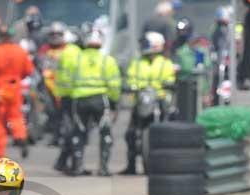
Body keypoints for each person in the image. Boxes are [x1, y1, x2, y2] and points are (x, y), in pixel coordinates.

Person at [120, 32, 175, 175]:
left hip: (160, 100)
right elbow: (130, 78)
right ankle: (131, 165)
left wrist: (169, 85)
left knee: (171, 125)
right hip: (141, 100)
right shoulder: (137, 63)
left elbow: (171, 79)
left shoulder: (165, 63)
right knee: (130, 133)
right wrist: (130, 86)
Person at [68, 28, 121, 177]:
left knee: (78, 132)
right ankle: (103, 168)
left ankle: (77, 167)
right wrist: (114, 102)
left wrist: (67, 98)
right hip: (100, 100)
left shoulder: (76, 59)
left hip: (79, 100)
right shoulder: (107, 60)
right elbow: (114, 85)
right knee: (105, 132)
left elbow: (66, 80)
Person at [0, 25, 34, 159]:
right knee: (16, 116)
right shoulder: (20, 51)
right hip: (15, 87)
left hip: (0, 88)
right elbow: (29, 70)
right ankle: (20, 136)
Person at [52, 28, 82, 172]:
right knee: (75, 131)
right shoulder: (76, 53)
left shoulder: (65, 53)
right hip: (74, 96)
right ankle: (67, 162)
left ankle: (63, 161)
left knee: (71, 129)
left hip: (64, 95)